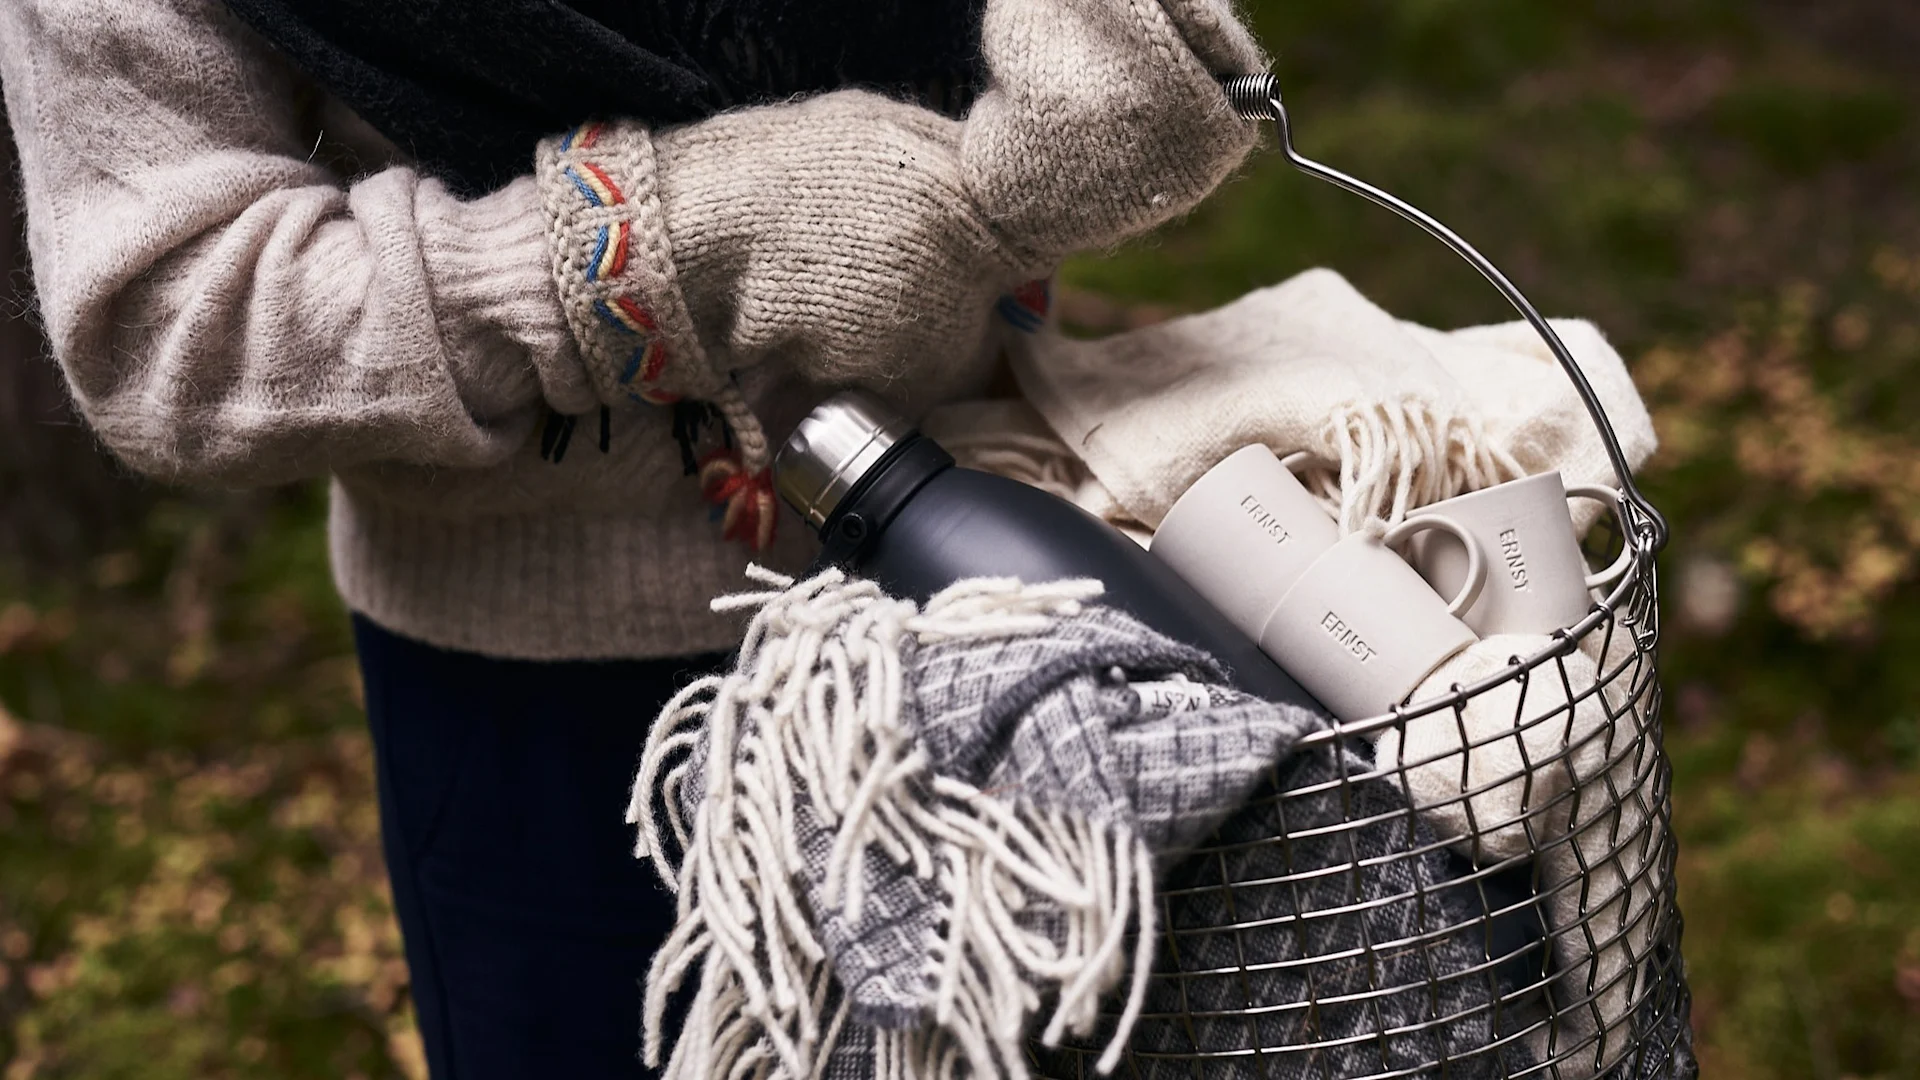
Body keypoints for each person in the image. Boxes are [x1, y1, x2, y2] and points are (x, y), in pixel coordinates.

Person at [0, 0, 1264, 1074]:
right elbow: (169, 326)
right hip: (547, 734)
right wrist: (673, 241)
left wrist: (1097, 63)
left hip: (1006, 590)